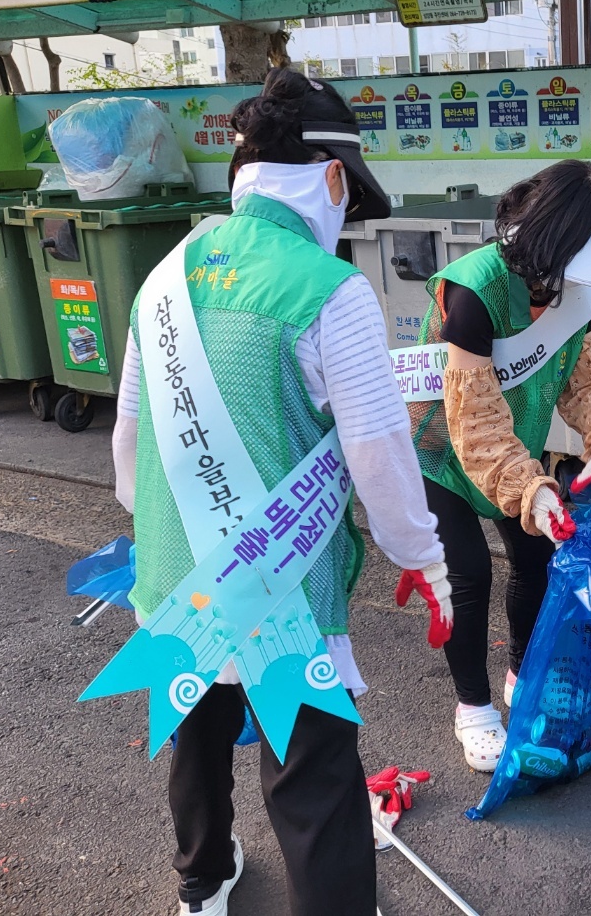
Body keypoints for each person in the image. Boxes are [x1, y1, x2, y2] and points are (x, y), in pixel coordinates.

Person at [111, 68, 453, 916]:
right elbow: (378, 454)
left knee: (195, 734)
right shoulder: (328, 289)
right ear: (333, 178)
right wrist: (424, 557)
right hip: (279, 584)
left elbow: (128, 439)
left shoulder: (163, 276)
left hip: (173, 570)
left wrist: (153, 528)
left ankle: (202, 884)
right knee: (310, 773)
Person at [407, 158, 591, 771]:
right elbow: (476, 423)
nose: (574, 288)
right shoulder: (472, 294)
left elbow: (583, 380)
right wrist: (535, 492)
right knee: (466, 575)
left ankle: (524, 673)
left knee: (536, 562)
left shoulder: (582, 291)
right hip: (442, 449)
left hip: (517, 441)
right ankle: (474, 709)